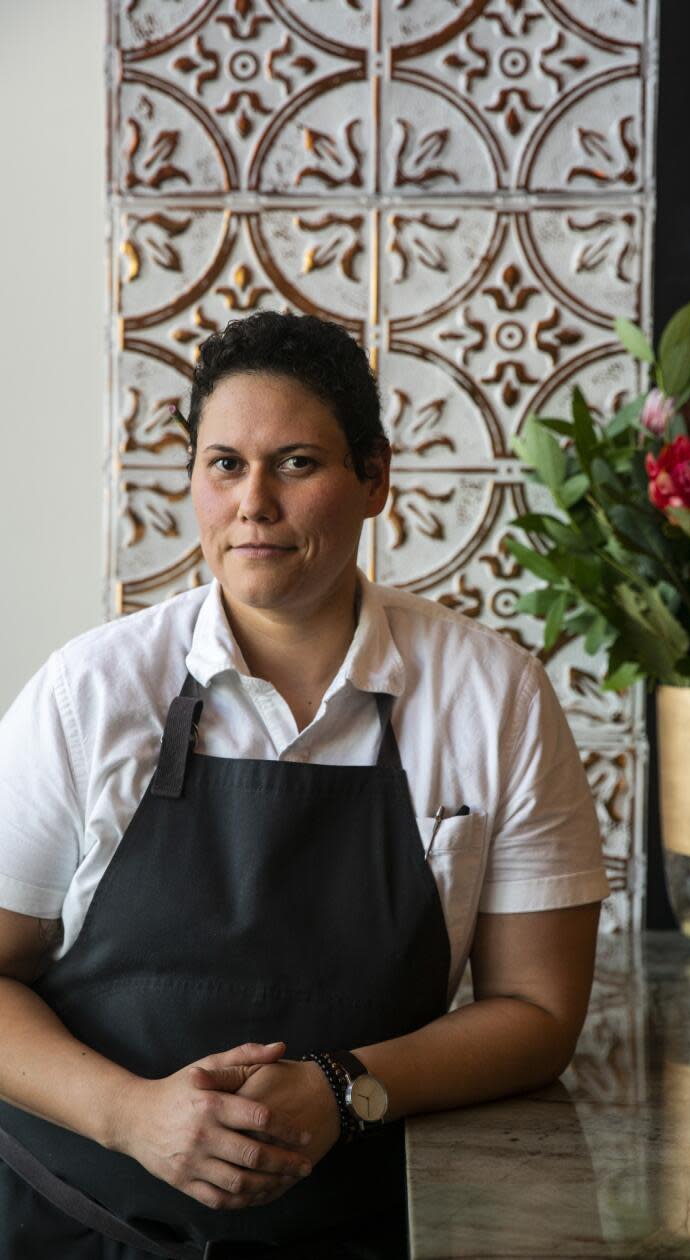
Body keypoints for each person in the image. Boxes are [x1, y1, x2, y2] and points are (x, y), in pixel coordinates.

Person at [0, 311, 609, 1259]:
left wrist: (344, 1089)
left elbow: (538, 1014)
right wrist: (131, 1115)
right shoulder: (90, 694)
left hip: (366, 1225)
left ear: (375, 480)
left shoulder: (496, 699)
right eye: (223, 465)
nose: (253, 503)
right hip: (79, 1221)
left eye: (295, 463)